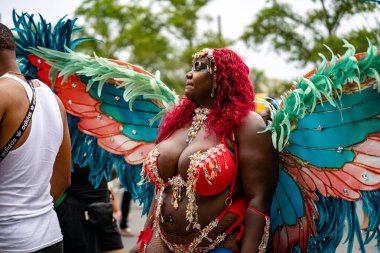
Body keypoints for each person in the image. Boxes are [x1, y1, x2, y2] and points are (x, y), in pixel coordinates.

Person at [130, 48, 279, 253]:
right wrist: (144, 239)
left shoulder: (246, 124)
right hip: (160, 242)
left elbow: (259, 199)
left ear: (223, 78)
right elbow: (161, 191)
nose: (189, 74)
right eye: (192, 67)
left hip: (220, 242)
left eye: (200, 68)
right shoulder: (178, 121)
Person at [0, 23, 71, 253]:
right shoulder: (52, 98)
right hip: (49, 236)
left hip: (9, 241)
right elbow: (63, 179)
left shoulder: (3, 92)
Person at [55, 161, 124, 253]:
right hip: (75, 214)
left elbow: (110, 172)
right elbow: (60, 178)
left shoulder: (105, 147)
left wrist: (124, 164)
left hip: (103, 211)